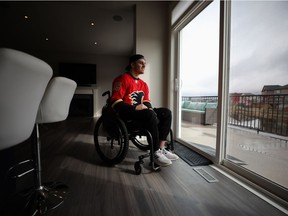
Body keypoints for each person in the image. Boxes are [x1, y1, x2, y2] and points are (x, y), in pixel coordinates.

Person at [110, 54, 179, 166]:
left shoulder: (143, 84)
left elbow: (146, 101)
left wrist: (150, 109)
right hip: (128, 114)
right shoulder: (122, 79)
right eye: (141, 62)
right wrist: (135, 107)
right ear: (132, 64)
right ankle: (155, 152)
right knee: (149, 114)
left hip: (143, 113)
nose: (144, 65)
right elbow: (115, 102)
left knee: (166, 113)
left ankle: (161, 148)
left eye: (145, 63)